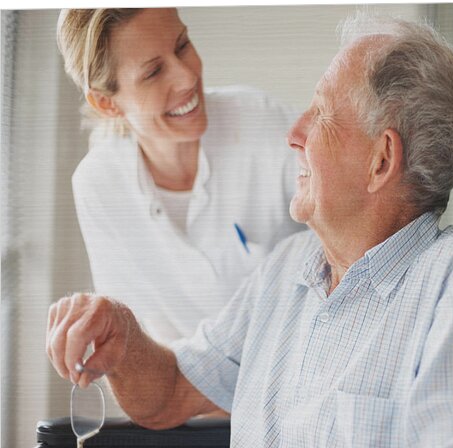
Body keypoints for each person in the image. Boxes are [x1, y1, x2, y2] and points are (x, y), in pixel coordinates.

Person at [47, 15, 453, 448]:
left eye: (319, 114)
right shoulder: (286, 269)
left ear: (381, 160)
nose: (293, 133)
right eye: (152, 70)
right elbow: (171, 391)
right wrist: (123, 339)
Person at [57, 8, 303, 346]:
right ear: (105, 103)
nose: (187, 76)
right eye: (154, 71)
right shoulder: (99, 186)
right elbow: (135, 338)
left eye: (183, 44)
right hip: (193, 387)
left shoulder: (258, 119)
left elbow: (348, 225)